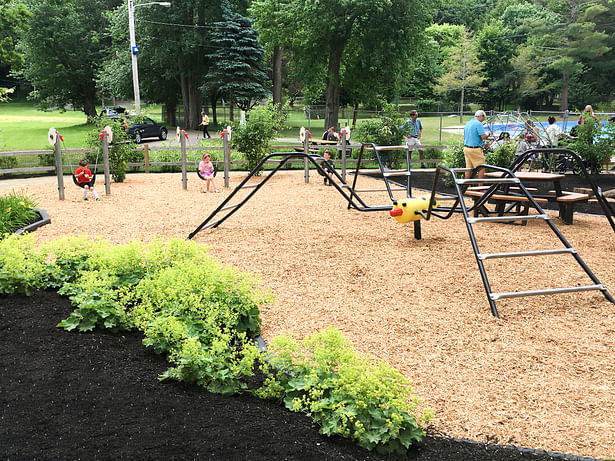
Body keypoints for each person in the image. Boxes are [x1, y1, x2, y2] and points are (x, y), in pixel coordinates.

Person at [463, 110, 490, 180]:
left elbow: (465, 137)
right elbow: (483, 137)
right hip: (475, 149)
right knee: (481, 167)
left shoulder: (468, 123)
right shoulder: (478, 124)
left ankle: (467, 187)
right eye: (484, 118)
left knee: (468, 168)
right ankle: (480, 188)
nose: (483, 120)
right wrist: (487, 134)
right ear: (481, 116)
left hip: (466, 148)